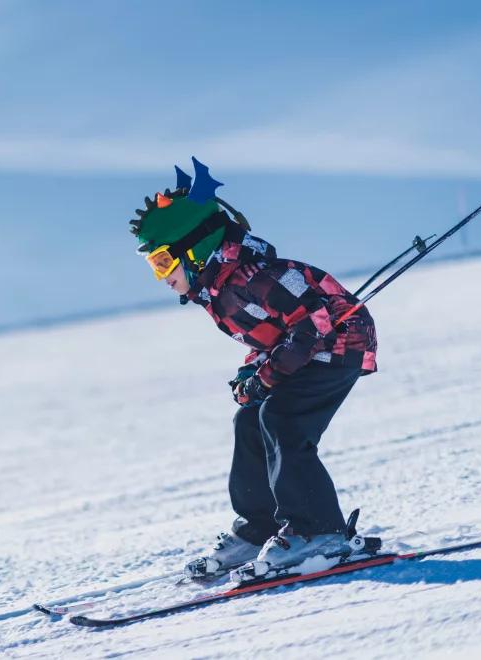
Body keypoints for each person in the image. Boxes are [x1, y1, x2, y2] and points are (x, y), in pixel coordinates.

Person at [129, 158, 378, 579]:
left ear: (194, 250)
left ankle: (319, 532)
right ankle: (257, 528)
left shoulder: (256, 276)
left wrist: (268, 376)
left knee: (280, 418)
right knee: (249, 420)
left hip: (338, 346)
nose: (162, 278)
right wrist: (254, 371)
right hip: (307, 351)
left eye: (162, 263)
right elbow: (272, 338)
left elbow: (314, 320)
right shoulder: (220, 291)